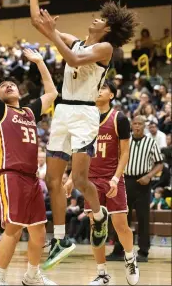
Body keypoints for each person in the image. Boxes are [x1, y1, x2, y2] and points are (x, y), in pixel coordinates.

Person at [28, 0, 138, 269]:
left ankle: (99, 216)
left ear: (109, 29)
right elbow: (38, 22)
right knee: (53, 180)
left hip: (84, 114)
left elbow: (75, 61)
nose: (95, 19)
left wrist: (53, 35)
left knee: (78, 180)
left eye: (101, 19)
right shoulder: (75, 41)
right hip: (63, 112)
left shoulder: (105, 50)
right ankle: (61, 240)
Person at [0, 20, 58, 285]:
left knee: (38, 231)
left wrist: (39, 62)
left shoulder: (28, 112)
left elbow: (52, 92)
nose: (7, 86)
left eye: (11, 84)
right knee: (13, 228)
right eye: (3, 86)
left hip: (32, 178)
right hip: (10, 175)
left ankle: (32, 275)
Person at [65, 81, 139, 285]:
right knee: (95, 226)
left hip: (112, 178)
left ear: (112, 95)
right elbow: (78, 152)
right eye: (96, 87)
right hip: (90, 181)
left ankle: (130, 257)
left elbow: (125, 152)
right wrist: (72, 178)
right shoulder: (85, 120)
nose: (98, 91)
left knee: (120, 225)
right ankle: (102, 273)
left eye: (103, 88)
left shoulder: (119, 118)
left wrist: (116, 178)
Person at [108, 116, 164, 263]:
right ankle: (119, 250)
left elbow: (159, 164)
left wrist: (149, 176)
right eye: (135, 123)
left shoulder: (151, 142)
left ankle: (143, 252)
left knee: (143, 218)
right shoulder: (125, 141)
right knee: (121, 218)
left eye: (140, 124)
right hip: (125, 181)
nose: (137, 126)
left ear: (144, 126)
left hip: (142, 183)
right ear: (131, 126)